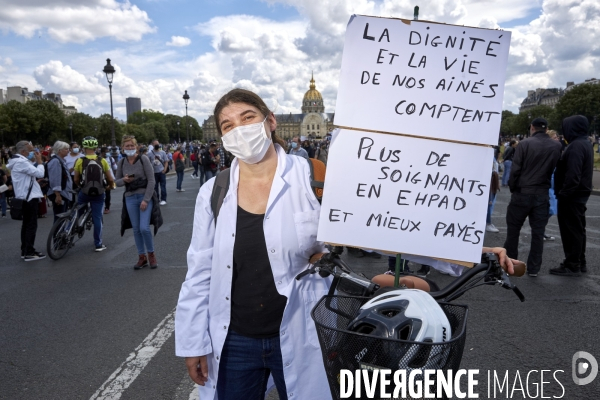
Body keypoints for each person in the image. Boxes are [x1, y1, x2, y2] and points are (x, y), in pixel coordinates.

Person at [503, 118, 561, 277]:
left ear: (532, 127)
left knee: (513, 231)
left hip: (523, 192)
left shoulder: (524, 144)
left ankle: (510, 264)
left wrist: (513, 188)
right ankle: (534, 268)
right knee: (538, 232)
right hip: (542, 193)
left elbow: (516, 170)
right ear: (547, 128)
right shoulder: (556, 145)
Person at [550, 115, 594, 277]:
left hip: (572, 195)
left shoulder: (575, 146)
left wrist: (564, 193)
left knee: (570, 231)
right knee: (578, 229)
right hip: (580, 193)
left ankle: (572, 264)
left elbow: (573, 174)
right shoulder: (585, 144)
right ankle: (579, 261)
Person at [116, 135, 158, 269]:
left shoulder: (143, 159)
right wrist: (124, 180)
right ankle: (141, 256)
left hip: (144, 195)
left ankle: (151, 254)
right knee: (136, 229)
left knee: (144, 228)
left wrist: (146, 199)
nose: (129, 148)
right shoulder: (121, 163)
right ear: (122, 148)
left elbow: (151, 180)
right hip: (130, 197)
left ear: (136, 147)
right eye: (127, 146)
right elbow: (116, 182)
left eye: (132, 145)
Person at [7, 141, 46, 261]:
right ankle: (29, 252)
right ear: (23, 151)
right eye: (31, 151)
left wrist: (35, 161)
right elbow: (40, 173)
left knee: (26, 225)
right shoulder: (21, 162)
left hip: (23, 196)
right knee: (31, 225)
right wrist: (40, 162)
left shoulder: (17, 162)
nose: (33, 153)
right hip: (29, 198)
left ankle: (25, 250)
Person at [74, 136, 114, 252]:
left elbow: (76, 179)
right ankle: (98, 244)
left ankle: (69, 228)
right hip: (99, 193)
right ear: (96, 147)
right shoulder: (102, 160)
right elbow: (110, 178)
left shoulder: (80, 161)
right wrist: (110, 187)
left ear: (84, 147)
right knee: (97, 218)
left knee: (77, 212)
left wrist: (81, 187)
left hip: (84, 192)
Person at [47, 141, 73, 222]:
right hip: (60, 193)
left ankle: (59, 233)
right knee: (59, 218)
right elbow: (55, 179)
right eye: (66, 149)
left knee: (62, 216)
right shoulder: (56, 161)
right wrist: (57, 195)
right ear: (59, 150)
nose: (68, 151)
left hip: (64, 192)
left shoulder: (60, 160)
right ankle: (57, 234)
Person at [148, 140, 168, 206]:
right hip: (154, 173)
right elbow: (148, 163)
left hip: (161, 172)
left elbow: (166, 161)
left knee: (163, 187)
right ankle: (156, 199)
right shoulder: (150, 153)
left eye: (158, 144)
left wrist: (164, 170)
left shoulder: (162, 152)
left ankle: (163, 199)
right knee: (155, 187)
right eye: (155, 144)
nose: (157, 145)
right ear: (152, 145)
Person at [486, 155, 501, 233]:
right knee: (488, 203)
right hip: (488, 181)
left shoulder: (490, 153)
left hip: (491, 181)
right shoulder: (487, 153)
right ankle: (487, 223)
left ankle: (488, 222)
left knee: (490, 203)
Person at [100, 147, 117, 214]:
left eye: (108, 151)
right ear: (102, 153)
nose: (107, 153)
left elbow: (115, 167)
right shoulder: (99, 159)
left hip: (108, 178)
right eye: (106, 152)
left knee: (107, 192)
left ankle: (107, 207)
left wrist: (113, 177)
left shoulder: (111, 158)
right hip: (101, 178)